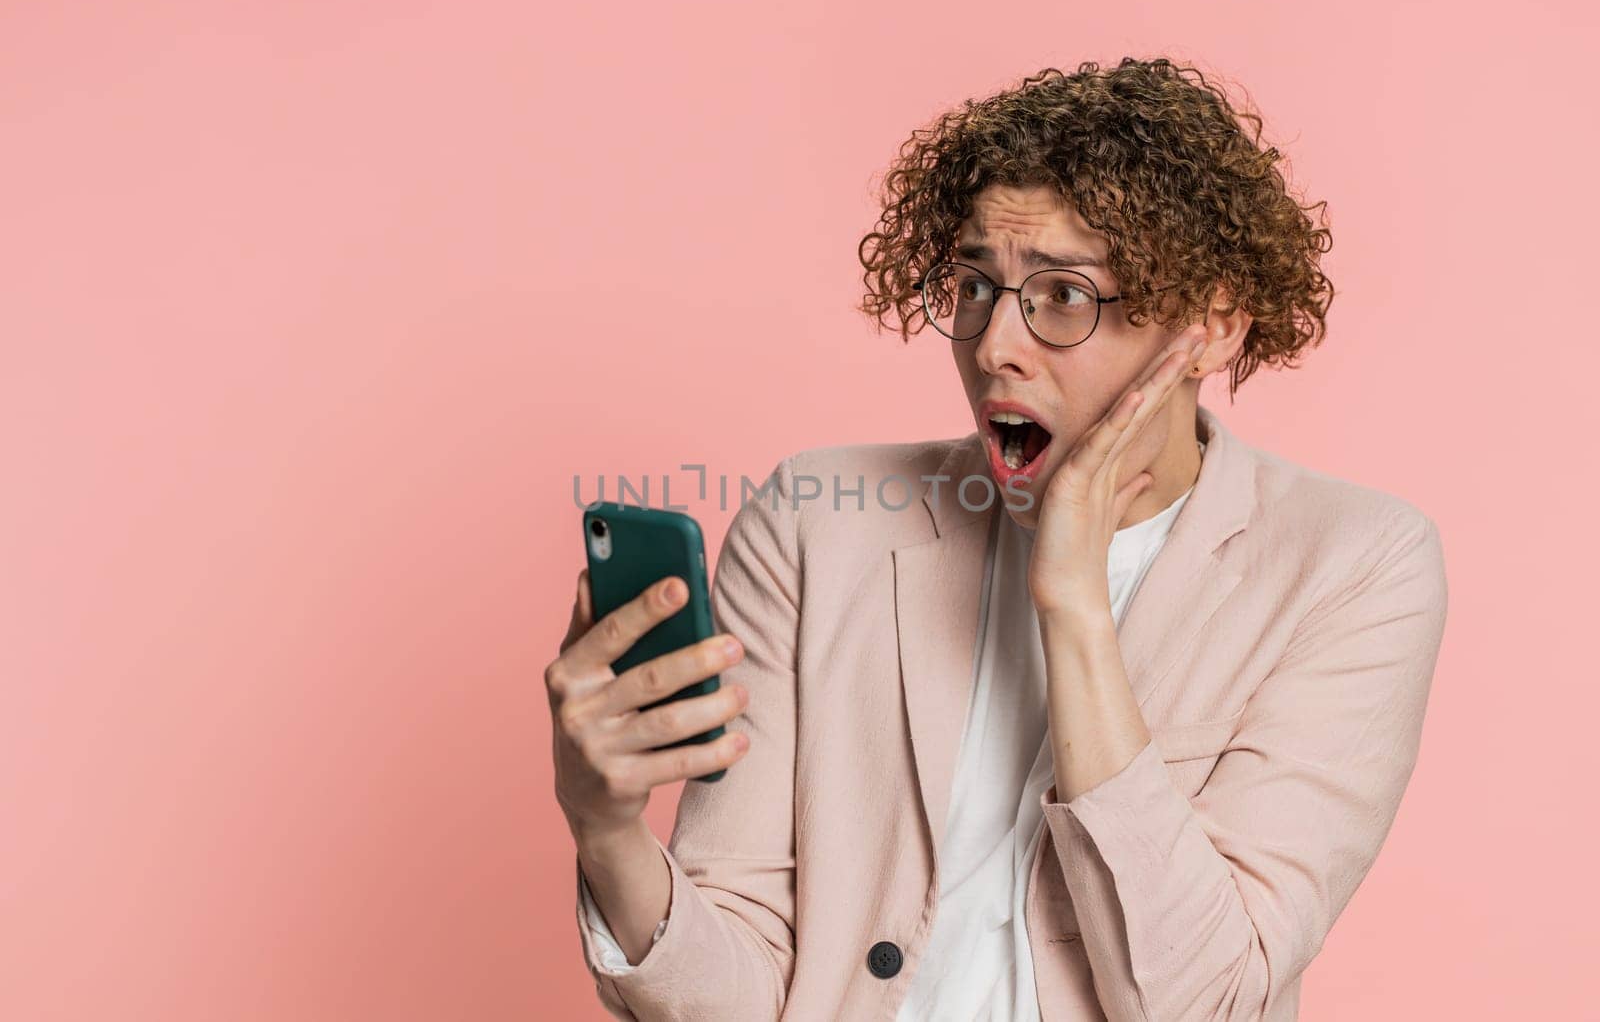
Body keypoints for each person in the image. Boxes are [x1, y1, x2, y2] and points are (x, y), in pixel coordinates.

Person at [544, 57, 1449, 1021]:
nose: (993, 346)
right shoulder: (818, 523)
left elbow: (1206, 1001)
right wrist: (605, 831)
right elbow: (744, 980)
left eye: (1064, 294)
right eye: (976, 286)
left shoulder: (1353, 565)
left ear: (1214, 322)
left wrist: (1075, 605)